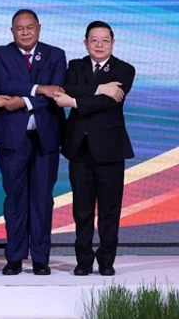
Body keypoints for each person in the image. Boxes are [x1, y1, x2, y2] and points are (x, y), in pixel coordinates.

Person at [55, 21, 135, 277]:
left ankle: (107, 261)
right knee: (82, 209)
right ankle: (83, 261)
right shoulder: (75, 66)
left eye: (105, 40)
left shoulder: (125, 69)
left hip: (110, 150)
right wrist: (99, 88)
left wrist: (75, 102)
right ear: (85, 42)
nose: (99, 45)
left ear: (113, 42)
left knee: (110, 210)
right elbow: (68, 89)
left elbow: (107, 104)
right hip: (79, 149)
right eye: (94, 40)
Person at [0, 9, 66, 276]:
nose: (25, 32)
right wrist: (39, 88)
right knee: (15, 198)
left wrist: (24, 100)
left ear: (39, 28)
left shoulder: (56, 54)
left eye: (29, 27)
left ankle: (40, 258)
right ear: (12, 31)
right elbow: (5, 83)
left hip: (46, 138)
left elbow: (56, 91)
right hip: (12, 138)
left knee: (43, 199)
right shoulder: (0, 54)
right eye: (19, 28)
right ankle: (14, 256)